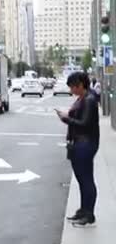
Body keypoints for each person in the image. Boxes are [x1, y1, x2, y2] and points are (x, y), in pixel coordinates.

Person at [56, 72, 100, 227]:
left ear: (80, 84)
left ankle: (89, 214)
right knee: (81, 179)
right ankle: (83, 209)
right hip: (79, 143)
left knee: (86, 179)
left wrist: (66, 118)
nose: (71, 90)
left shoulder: (89, 100)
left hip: (85, 144)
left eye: (73, 86)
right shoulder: (83, 98)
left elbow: (85, 124)